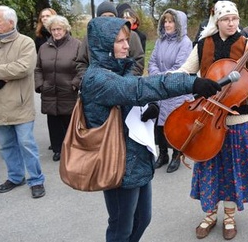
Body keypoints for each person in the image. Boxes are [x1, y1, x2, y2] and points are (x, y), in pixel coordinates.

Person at [80, 16, 221, 242]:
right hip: (118, 164)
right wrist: (191, 83)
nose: (127, 45)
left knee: (142, 219)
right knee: (120, 228)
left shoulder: (120, 69)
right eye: (119, 41)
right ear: (103, 44)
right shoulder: (98, 78)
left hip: (137, 157)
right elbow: (137, 89)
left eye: (127, 39)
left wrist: (151, 106)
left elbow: (134, 97)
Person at [178, 0, 248, 240]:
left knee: (232, 171)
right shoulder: (203, 44)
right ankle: (210, 214)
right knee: (210, 169)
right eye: (226, 19)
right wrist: (161, 82)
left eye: (235, 19)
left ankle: (229, 216)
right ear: (217, 21)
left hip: (238, 120)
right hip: (208, 119)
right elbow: (184, 72)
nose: (232, 23)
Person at [0, 5, 46, 199]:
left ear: (11, 22)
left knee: (26, 144)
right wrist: (5, 72)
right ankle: (16, 177)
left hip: (20, 104)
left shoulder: (25, 43)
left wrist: (3, 72)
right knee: (6, 145)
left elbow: (23, 68)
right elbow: (12, 69)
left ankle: (36, 180)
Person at [148, 8, 193, 173]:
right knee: (159, 124)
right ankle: (163, 154)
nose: (167, 24)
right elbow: (152, 61)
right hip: (160, 89)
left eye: (171, 21)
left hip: (176, 91)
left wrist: (160, 77)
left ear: (178, 23)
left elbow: (180, 67)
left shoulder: (185, 43)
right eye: (165, 21)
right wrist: (157, 76)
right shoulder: (160, 41)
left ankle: (176, 154)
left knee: (175, 124)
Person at [34, 15, 82, 162]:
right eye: (53, 29)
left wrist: (74, 84)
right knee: (53, 121)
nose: (56, 32)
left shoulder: (77, 45)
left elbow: (82, 68)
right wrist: (40, 85)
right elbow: (38, 69)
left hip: (68, 91)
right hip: (49, 91)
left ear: (65, 29)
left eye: (59, 29)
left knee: (69, 122)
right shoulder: (44, 47)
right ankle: (58, 149)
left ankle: (72, 149)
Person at [76, 1, 145, 79]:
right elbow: (81, 63)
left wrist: (125, 80)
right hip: (96, 87)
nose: (108, 19)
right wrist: (89, 79)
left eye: (111, 16)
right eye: (104, 16)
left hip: (124, 86)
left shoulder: (131, 35)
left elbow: (138, 61)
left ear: (116, 17)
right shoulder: (89, 38)